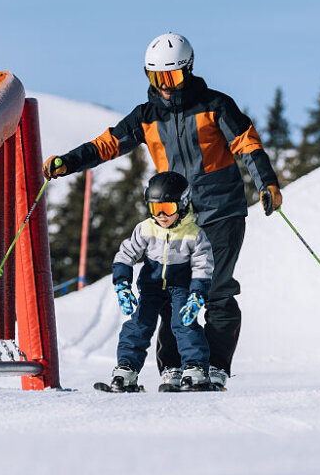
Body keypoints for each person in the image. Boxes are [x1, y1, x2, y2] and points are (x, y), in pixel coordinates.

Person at [44, 32, 282, 389]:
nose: (166, 87)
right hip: (176, 217)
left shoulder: (215, 105)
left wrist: (266, 182)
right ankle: (173, 366)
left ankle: (214, 366)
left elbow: (246, 142)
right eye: (157, 79)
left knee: (215, 289)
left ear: (189, 70)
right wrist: (70, 162)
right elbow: (107, 143)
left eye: (172, 77)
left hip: (221, 211)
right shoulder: (147, 116)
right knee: (172, 289)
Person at [106, 171, 213, 392]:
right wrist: (122, 284)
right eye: (156, 209)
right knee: (139, 324)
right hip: (151, 287)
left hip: (180, 287)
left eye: (168, 208)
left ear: (182, 204)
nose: (161, 215)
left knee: (183, 323)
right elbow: (126, 255)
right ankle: (126, 370)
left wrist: (197, 295)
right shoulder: (146, 228)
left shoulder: (194, 233)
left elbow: (203, 265)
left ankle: (195, 369)